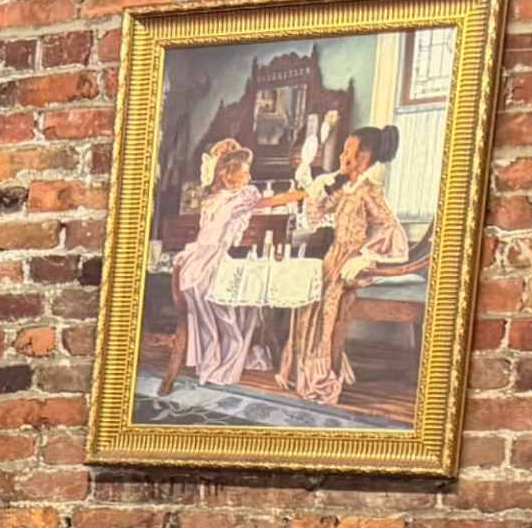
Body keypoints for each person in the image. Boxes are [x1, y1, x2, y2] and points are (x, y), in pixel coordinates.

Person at [281, 125, 414, 407]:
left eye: (352, 153)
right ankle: (302, 371)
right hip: (334, 256)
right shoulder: (347, 187)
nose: (345, 158)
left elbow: (391, 229)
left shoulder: (369, 190)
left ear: (367, 157)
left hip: (354, 262)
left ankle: (321, 374)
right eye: (344, 151)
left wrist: (366, 256)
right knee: (307, 295)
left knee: (328, 300)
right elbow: (318, 212)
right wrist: (311, 182)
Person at [165, 136, 283, 392]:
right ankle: (223, 353)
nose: (249, 177)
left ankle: (222, 351)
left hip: (198, 261)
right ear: (228, 175)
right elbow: (269, 202)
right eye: (245, 172)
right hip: (205, 261)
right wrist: (305, 193)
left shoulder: (223, 198)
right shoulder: (230, 198)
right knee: (234, 294)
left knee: (241, 293)